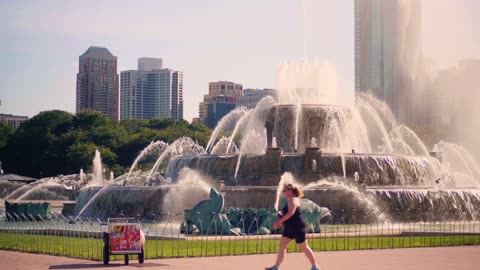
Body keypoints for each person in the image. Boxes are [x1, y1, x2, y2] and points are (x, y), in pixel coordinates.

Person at [265, 183, 320, 270]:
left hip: (297, 227)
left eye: (286, 190)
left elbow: (291, 213)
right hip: (290, 228)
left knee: (304, 247)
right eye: (283, 190)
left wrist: (279, 221)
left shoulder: (293, 200)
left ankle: (315, 266)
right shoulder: (292, 199)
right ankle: (276, 267)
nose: (284, 192)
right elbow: (289, 214)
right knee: (282, 246)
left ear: (291, 191)